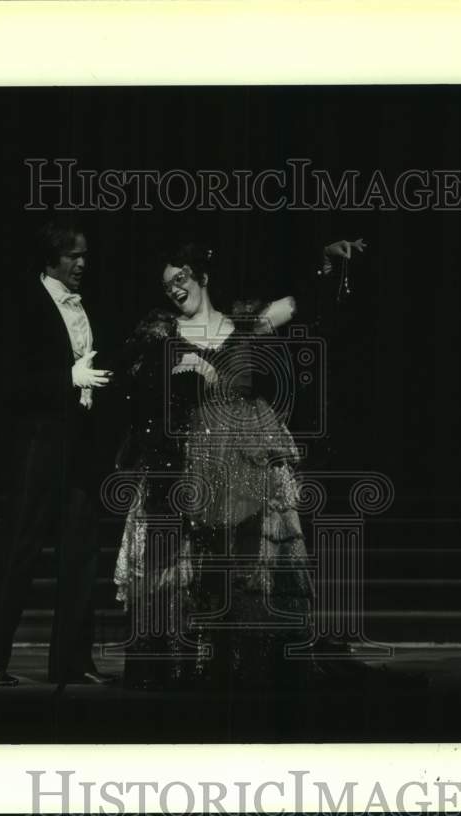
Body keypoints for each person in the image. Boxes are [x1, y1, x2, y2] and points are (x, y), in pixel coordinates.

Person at [111, 237, 365, 691]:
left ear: (203, 277)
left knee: (249, 567)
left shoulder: (245, 324)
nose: (174, 288)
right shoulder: (161, 334)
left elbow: (304, 305)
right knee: (189, 568)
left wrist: (325, 263)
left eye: (181, 278)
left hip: (246, 458)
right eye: (167, 283)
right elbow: (134, 392)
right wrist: (177, 368)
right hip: (191, 463)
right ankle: (186, 667)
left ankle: (251, 665)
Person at [0, 217, 115, 686]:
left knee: (81, 553)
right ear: (51, 257)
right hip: (38, 443)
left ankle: (72, 659)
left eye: (85, 254)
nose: (82, 263)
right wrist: (65, 380)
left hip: (81, 443)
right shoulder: (23, 303)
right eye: (74, 255)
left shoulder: (84, 305)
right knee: (19, 549)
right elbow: (4, 381)